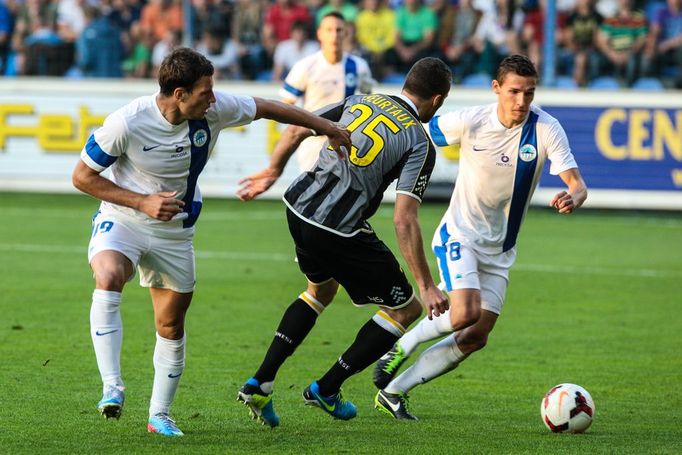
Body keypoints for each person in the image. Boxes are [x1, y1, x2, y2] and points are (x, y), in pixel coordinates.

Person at [71, 47, 351, 437]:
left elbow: (271, 108)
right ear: (179, 93)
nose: (213, 97)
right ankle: (112, 388)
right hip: (124, 219)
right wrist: (142, 202)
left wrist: (328, 127)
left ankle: (160, 416)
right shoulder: (126, 123)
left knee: (170, 324)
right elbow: (82, 177)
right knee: (109, 274)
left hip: (175, 230)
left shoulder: (213, 110)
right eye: (205, 91)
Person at [235, 57, 453, 427]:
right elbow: (404, 218)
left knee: (319, 291)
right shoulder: (419, 142)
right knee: (407, 310)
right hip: (337, 227)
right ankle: (327, 387)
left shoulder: (359, 100)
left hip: (297, 207)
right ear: (437, 99)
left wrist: (272, 170)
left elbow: (296, 128)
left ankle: (261, 382)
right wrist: (426, 285)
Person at [372, 54, 588, 420]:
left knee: (476, 335)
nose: (522, 101)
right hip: (460, 233)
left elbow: (577, 184)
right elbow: (419, 131)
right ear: (497, 88)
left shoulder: (546, 128)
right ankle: (401, 345)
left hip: (500, 249)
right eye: (515, 91)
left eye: (529, 93)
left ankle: (394, 391)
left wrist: (574, 196)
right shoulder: (472, 121)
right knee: (464, 313)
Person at [280, 11, 374, 172]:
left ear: (345, 33)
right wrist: (298, 133)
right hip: (312, 142)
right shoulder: (305, 66)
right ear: (319, 34)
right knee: (311, 192)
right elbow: (286, 105)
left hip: (345, 140)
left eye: (339, 30)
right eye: (329, 30)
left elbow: (367, 100)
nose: (334, 35)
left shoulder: (359, 66)